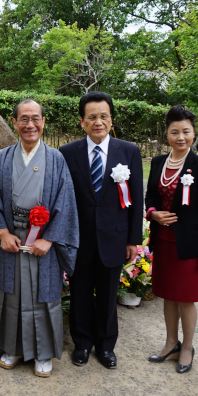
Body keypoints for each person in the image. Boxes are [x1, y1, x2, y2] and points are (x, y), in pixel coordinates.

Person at [0, 99, 79, 377]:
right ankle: (13, 348)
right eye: (24, 119)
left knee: (43, 295)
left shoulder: (56, 159)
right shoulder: (3, 158)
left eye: (35, 119)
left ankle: (43, 353)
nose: (30, 124)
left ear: (43, 122)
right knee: (11, 294)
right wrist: (2, 232)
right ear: (15, 123)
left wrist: (51, 239)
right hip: (12, 238)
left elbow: (66, 202)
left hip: (42, 241)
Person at [59, 91, 143, 369]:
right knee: (80, 293)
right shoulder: (67, 153)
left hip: (114, 236)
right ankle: (82, 343)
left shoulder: (128, 151)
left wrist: (133, 239)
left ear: (111, 118)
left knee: (108, 296)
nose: (98, 122)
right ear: (82, 121)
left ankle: (106, 346)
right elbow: (63, 198)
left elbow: (137, 200)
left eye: (103, 116)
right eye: (92, 117)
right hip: (79, 238)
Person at [145, 105, 198, 373]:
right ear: (167, 134)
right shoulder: (157, 162)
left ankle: (187, 347)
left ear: (193, 133)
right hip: (162, 240)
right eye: (175, 132)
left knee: (185, 297)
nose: (180, 137)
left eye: (186, 131)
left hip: (189, 243)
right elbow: (150, 197)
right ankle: (171, 343)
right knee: (167, 295)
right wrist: (154, 214)